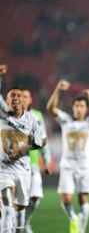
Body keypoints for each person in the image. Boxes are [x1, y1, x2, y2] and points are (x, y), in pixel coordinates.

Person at [46, 80, 89, 233]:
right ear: (73, 107)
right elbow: (50, 108)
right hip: (67, 165)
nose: (79, 109)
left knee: (83, 199)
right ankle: (74, 218)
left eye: (82, 106)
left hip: (85, 166)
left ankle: (81, 229)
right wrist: (57, 89)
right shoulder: (66, 121)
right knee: (66, 199)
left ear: (87, 109)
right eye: (76, 106)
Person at [0, 68, 44, 233]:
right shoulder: (3, 116)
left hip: (23, 172)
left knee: (19, 211)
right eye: (12, 96)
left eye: (19, 96)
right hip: (4, 172)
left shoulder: (32, 118)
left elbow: (39, 142)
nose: (16, 98)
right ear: (7, 100)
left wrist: (24, 149)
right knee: (6, 208)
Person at [21, 87, 52, 233]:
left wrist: (47, 162)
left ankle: (25, 221)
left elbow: (42, 139)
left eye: (26, 96)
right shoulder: (11, 117)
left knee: (35, 197)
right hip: (14, 164)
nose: (23, 99)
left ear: (31, 99)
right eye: (21, 97)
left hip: (32, 163)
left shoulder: (36, 115)